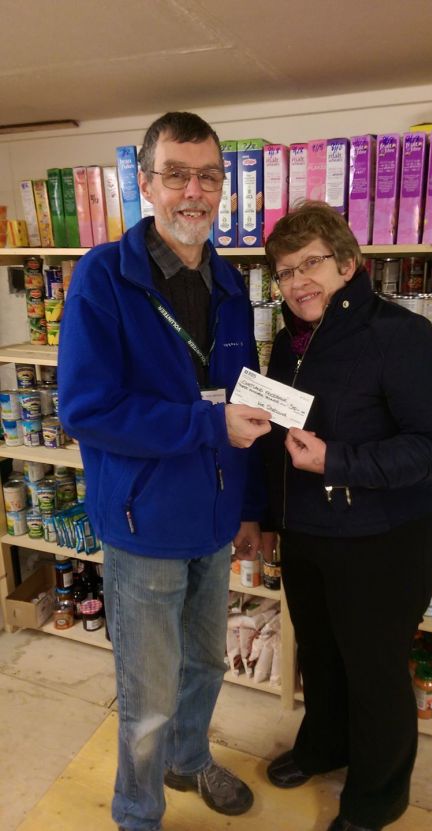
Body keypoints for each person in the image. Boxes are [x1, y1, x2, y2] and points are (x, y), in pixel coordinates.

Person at [58, 111, 272, 831]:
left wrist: (247, 509)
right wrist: (205, 423)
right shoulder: (101, 278)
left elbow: (242, 399)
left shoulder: (230, 283)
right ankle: (138, 812)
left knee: (206, 663)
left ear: (223, 190)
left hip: (212, 521)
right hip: (141, 522)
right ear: (146, 183)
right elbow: (86, 408)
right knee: (146, 691)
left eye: (208, 176)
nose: (194, 191)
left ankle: (188, 757)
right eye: (176, 173)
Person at [260, 200, 432, 831]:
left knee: (373, 668)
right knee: (320, 654)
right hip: (308, 532)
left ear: (349, 265)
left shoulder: (399, 335)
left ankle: (377, 796)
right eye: (285, 270)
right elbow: (282, 440)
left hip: (381, 539)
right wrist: (272, 518)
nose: (297, 282)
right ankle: (325, 746)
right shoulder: (288, 343)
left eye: (312, 264)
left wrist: (339, 461)